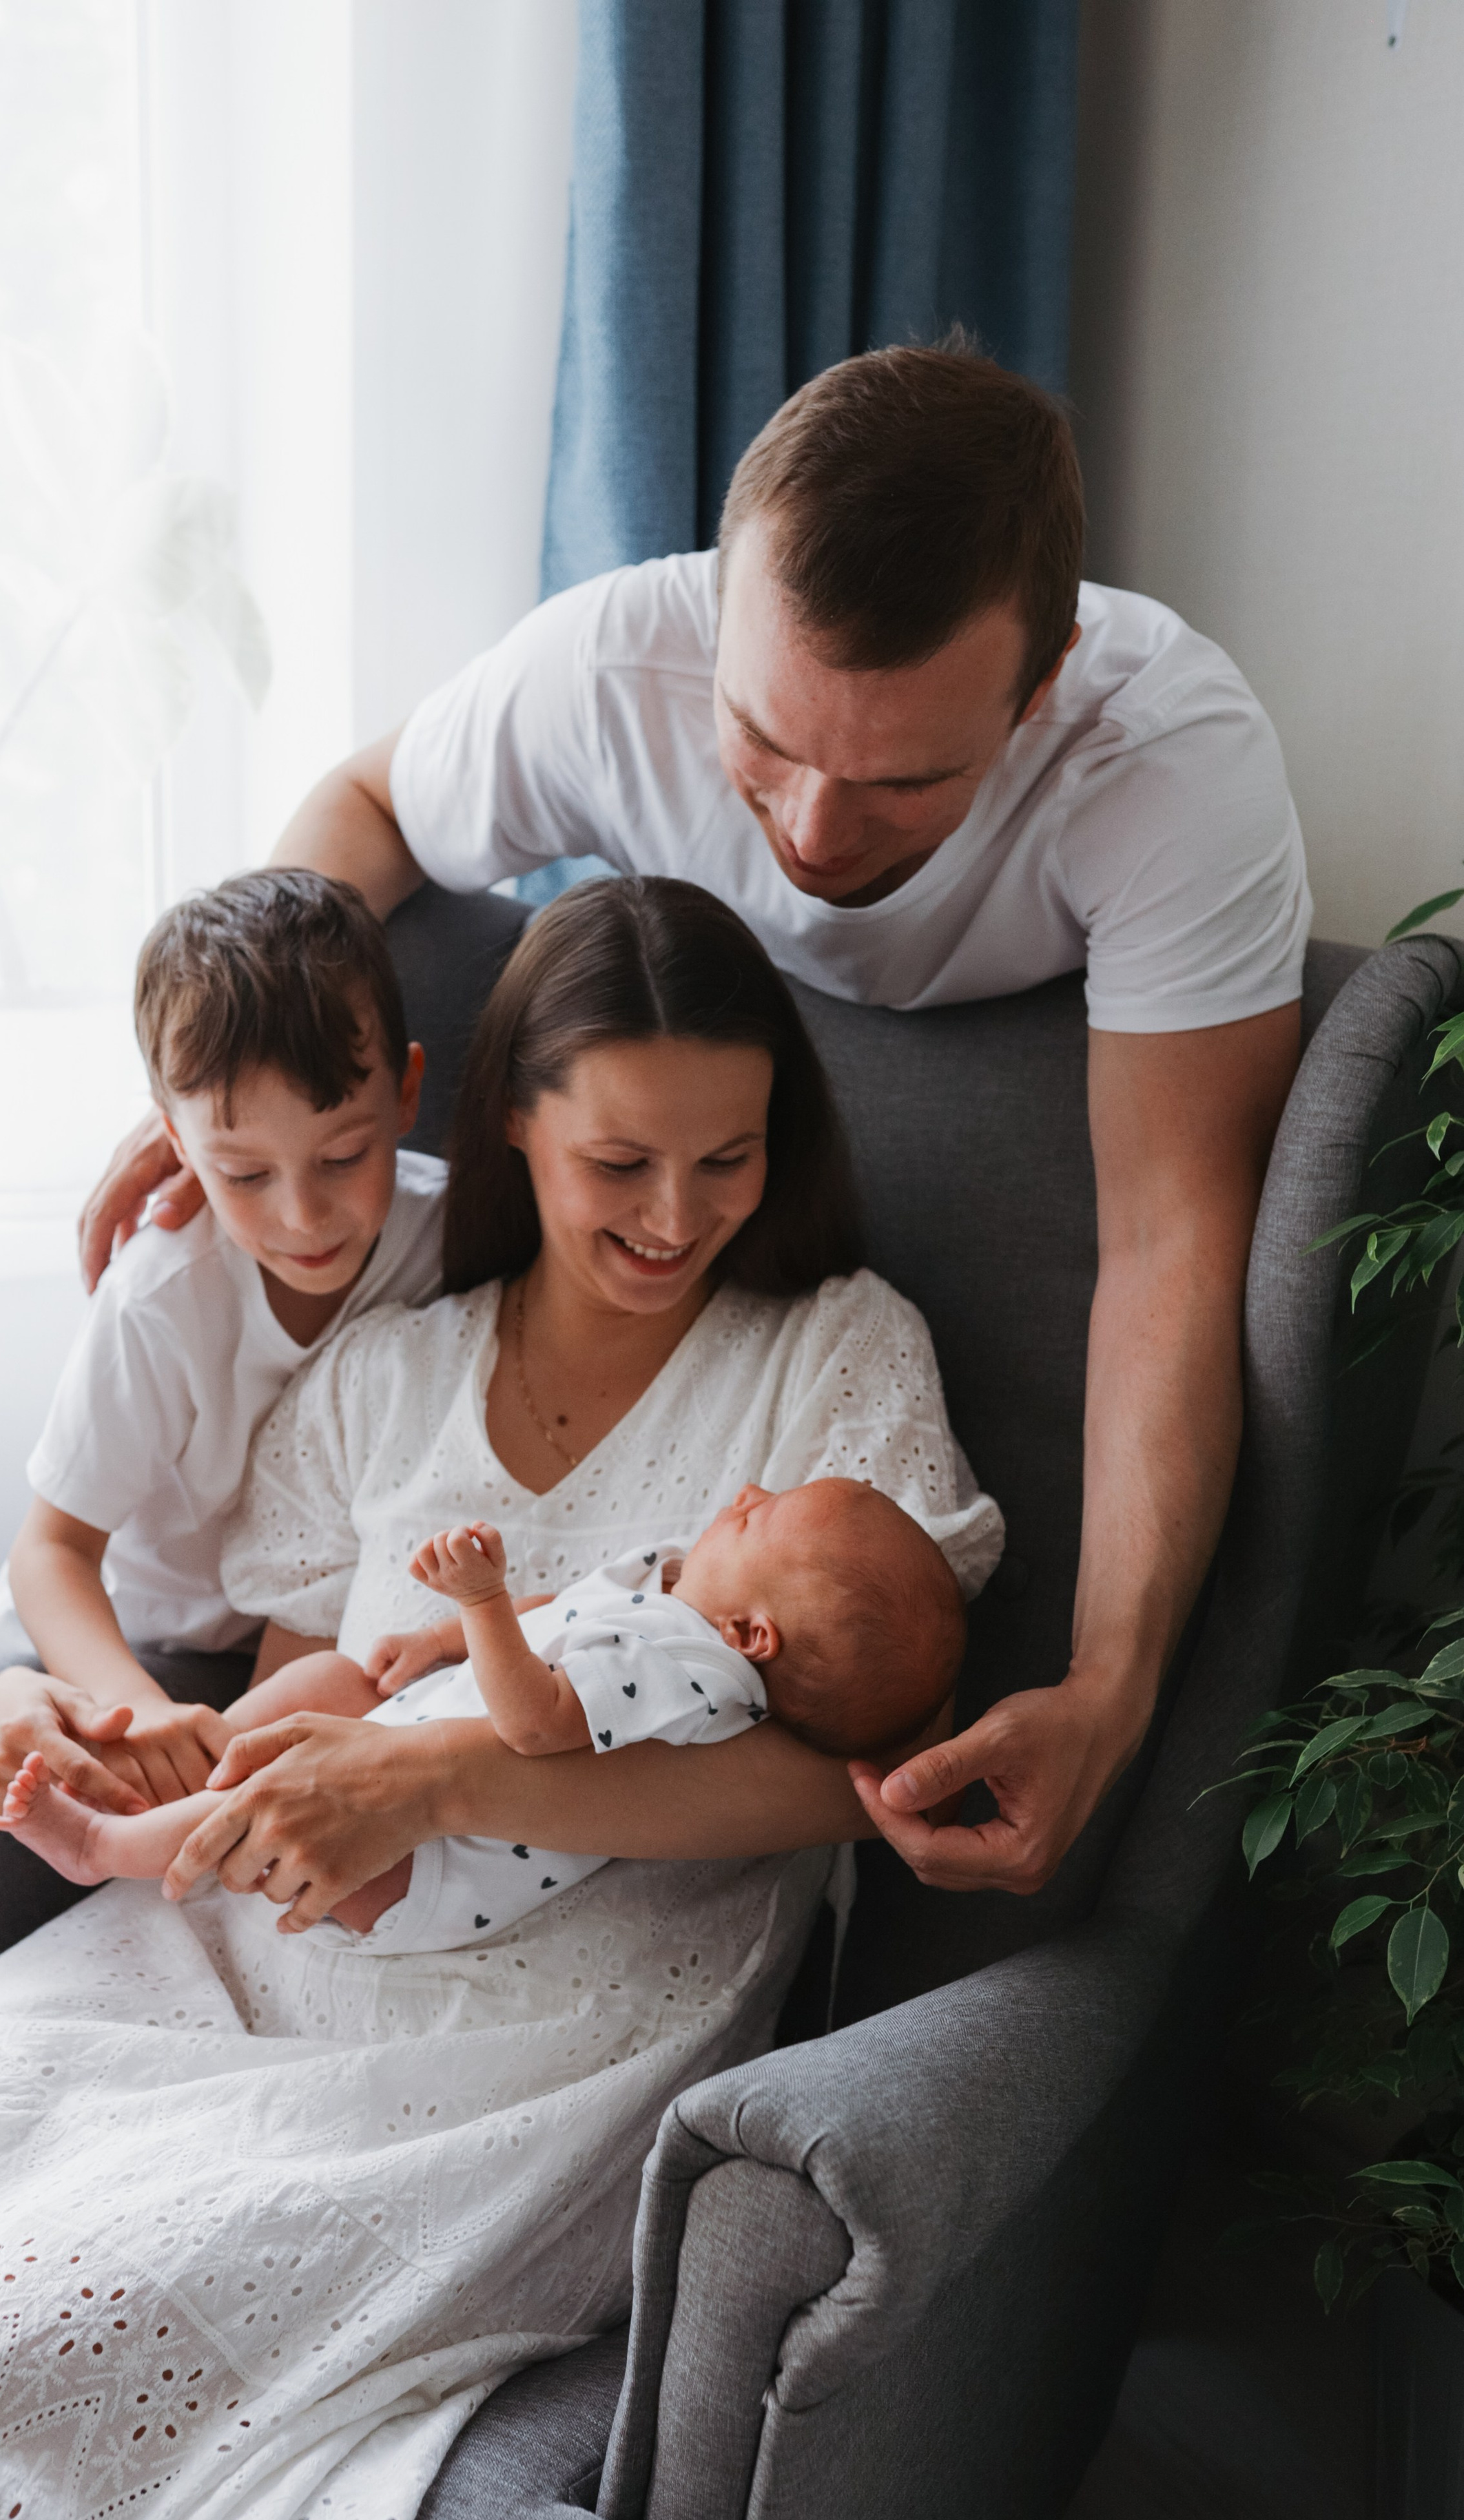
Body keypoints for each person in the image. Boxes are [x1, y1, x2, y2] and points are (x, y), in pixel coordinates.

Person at [0, 877, 998, 2520]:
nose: (677, 1215)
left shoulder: (832, 1360)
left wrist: (450, 1780)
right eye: (620, 1164)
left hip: (542, 2039)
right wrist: (77, 1730)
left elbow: (848, 1778)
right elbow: (291, 1701)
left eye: (729, 1157)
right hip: (226, 1942)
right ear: (506, 1126)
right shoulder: (385, 1381)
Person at [72, 340, 1309, 1898]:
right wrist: (225, 1095)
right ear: (713, 608)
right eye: (767, 745)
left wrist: (1107, 1688)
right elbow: (364, 810)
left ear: (1043, 681)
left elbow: (1171, 1237)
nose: (809, 830)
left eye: (902, 781)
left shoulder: (1170, 770)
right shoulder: (603, 670)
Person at [0, 1479, 965, 1956]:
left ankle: (102, 1846)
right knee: (328, 1680)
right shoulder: (674, 1604)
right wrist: (445, 1648)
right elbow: (571, 1615)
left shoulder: (690, 1670)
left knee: (278, 1786)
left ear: (753, 1635)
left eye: (761, 1518)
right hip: (414, 1753)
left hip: (439, 1863)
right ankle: (196, 1774)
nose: (747, 1493)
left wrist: (480, 1606)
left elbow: (539, 1721)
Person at [0, 865, 448, 1807]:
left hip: (306, 1656)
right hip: (119, 1651)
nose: (305, 1215)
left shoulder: (452, 1234)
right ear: (174, 1148)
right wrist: (131, 1707)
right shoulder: (165, 1297)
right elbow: (51, 1554)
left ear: (405, 1092)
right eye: (243, 1175)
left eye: (344, 1156)